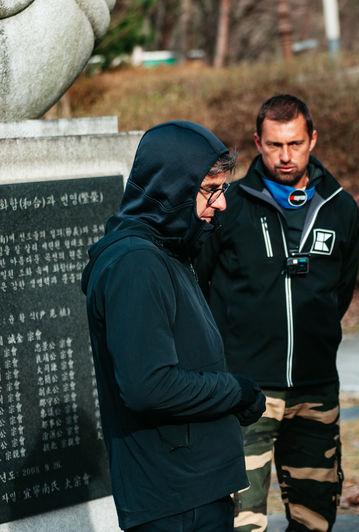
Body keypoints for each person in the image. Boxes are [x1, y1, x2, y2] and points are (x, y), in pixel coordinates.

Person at [81, 121, 267, 531]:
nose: (221, 203)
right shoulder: (136, 263)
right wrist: (235, 392)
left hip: (191, 489)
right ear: (171, 190)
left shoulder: (166, 249)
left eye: (222, 188)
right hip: (175, 501)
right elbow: (148, 384)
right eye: (210, 189)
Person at [195, 94, 359, 532]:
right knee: (240, 521)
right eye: (274, 145)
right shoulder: (229, 205)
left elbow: (341, 291)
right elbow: (201, 285)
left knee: (315, 520)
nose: (285, 156)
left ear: (313, 140)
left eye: (294, 143)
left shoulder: (340, 207)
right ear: (257, 142)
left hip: (315, 389)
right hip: (246, 390)